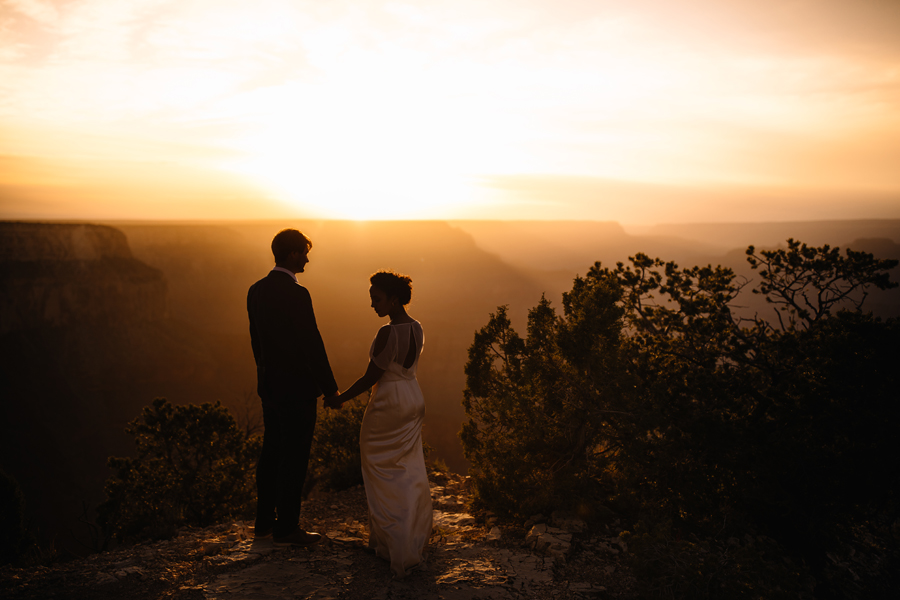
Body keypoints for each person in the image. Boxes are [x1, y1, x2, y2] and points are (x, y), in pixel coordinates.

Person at [330, 270, 433, 578]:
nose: (372, 304)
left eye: (377, 299)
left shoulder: (387, 333)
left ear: (394, 299)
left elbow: (370, 377)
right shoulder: (417, 327)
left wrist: (340, 398)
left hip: (389, 402)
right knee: (408, 468)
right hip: (413, 398)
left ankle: (394, 542)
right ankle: (400, 539)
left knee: (378, 468)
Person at [247, 228, 340, 547]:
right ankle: (287, 528)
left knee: (270, 454)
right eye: (303, 252)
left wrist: (266, 377)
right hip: (297, 391)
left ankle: (263, 525)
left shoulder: (255, 290)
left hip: (269, 388)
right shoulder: (297, 293)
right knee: (295, 457)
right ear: (290, 255)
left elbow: (256, 343)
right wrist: (330, 389)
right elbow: (311, 344)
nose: (307, 258)